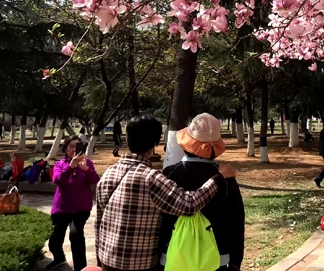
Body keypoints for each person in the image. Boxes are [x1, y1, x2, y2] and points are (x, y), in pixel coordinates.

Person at [95, 114, 236, 271]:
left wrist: (99, 262)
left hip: (107, 259)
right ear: (155, 143)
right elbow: (189, 205)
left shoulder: (108, 173)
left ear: (127, 138)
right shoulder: (152, 178)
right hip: (140, 263)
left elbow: (98, 222)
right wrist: (219, 178)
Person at [159, 113, 245, 271]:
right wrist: (235, 261)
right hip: (218, 257)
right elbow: (236, 221)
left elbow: (160, 219)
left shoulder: (170, 173)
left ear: (186, 144)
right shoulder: (225, 176)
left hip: (172, 255)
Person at [48, 135, 100, 270]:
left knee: (76, 235)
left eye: (77, 146)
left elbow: (94, 179)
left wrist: (86, 170)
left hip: (81, 208)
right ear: (65, 149)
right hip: (61, 208)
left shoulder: (87, 163)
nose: (73, 149)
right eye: (70, 146)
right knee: (54, 239)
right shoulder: (60, 164)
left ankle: (80, 267)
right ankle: (59, 259)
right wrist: (71, 167)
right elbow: (58, 180)